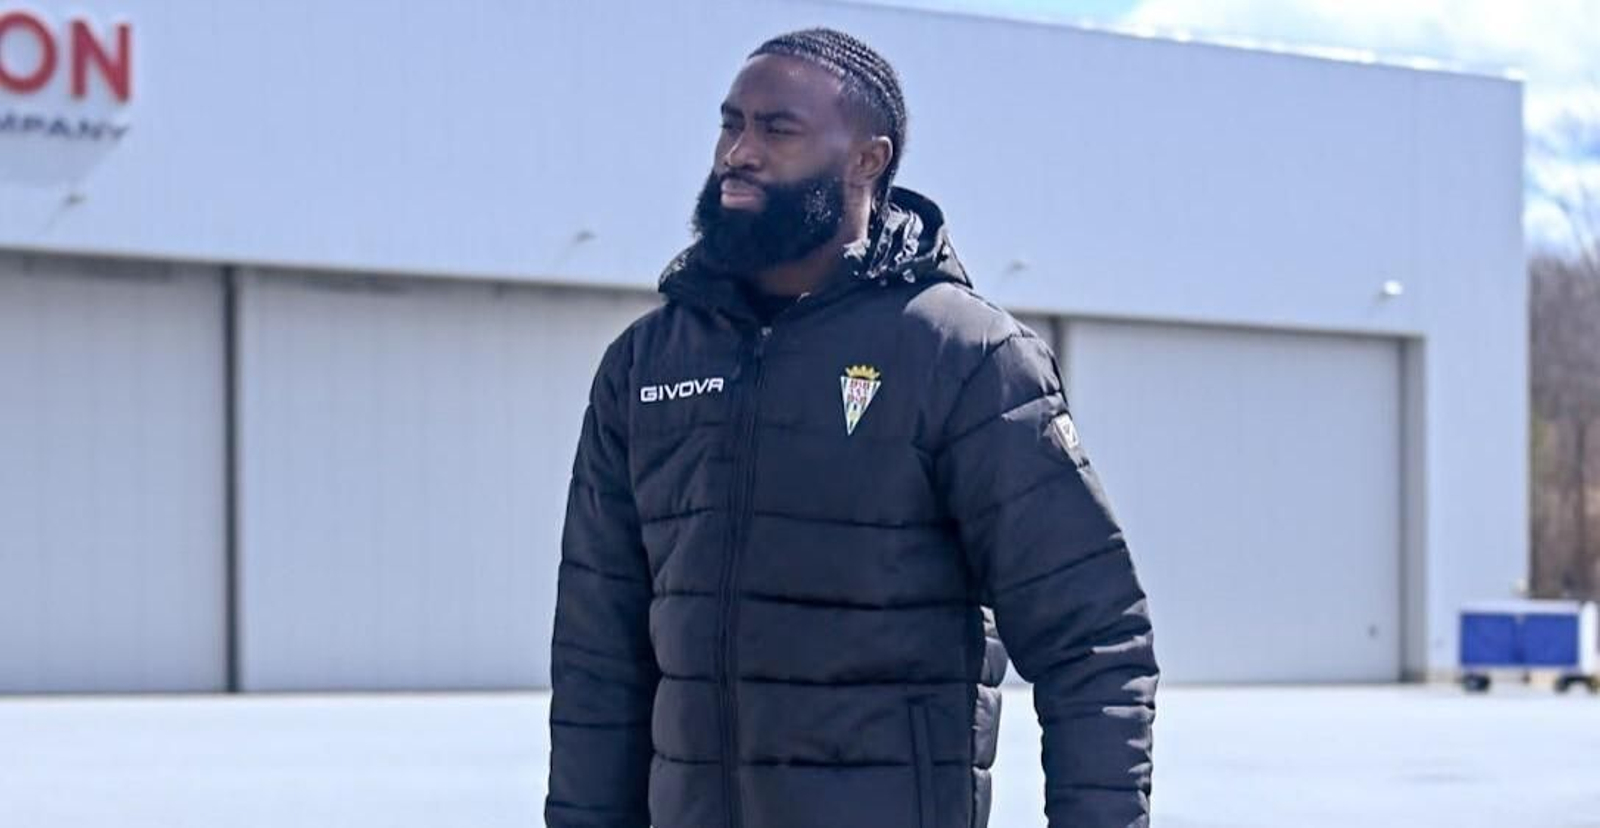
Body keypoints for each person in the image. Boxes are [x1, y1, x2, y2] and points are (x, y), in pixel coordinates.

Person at [545, 27, 1157, 828]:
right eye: (731, 124)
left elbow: (1095, 643)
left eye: (778, 129)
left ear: (868, 159)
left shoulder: (964, 357)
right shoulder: (644, 363)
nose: (739, 152)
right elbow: (600, 660)